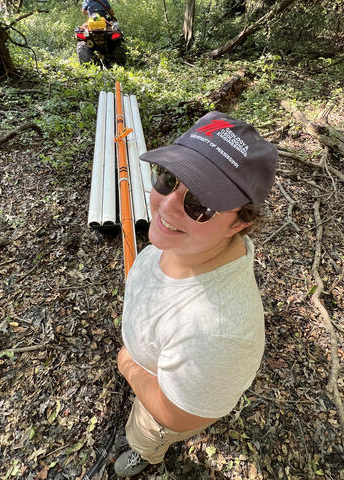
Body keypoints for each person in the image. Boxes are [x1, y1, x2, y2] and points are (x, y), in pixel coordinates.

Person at [115, 111, 278, 477]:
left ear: (240, 222)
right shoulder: (191, 243)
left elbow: (176, 413)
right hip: (155, 368)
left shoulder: (217, 333)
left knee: (146, 432)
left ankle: (146, 454)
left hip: (157, 405)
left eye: (200, 203)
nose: (168, 205)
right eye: (169, 179)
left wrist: (128, 363)